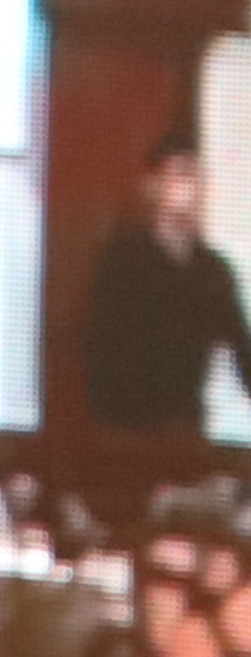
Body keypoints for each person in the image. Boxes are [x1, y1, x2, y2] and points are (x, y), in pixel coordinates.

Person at [82, 134, 251, 434]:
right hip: (123, 425)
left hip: (185, 427)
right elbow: (97, 344)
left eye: (197, 177)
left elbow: (242, 351)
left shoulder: (213, 271)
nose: (192, 188)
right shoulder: (123, 261)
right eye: (181, 174)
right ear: (153, 185)